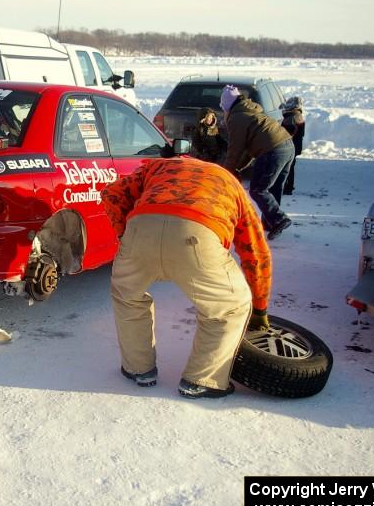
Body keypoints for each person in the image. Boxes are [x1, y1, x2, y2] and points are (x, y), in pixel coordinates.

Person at [102, 156, 272, 398]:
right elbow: (255, 252)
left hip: (141, 227)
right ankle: (203, 380)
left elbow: (112, 194)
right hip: (198, 232)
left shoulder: (158, 166)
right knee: (229, 308)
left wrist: (126, 236)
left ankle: (138, 369)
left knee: (127, 297)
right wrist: (260, 308)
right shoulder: (230, 184)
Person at [221, 85, 295, 240]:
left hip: (273, 149)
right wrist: (239, 167)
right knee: (273, 187)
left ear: (227, 105)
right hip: (287, 146)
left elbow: (235, 148)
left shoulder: (237, 117)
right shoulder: (250, 110)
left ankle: (279, 219)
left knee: (258, 189)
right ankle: (271, 223)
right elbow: (248, 150)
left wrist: (226, 172)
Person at [280, 96, 306, 195]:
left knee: (288, 167)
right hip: (295, 145)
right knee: (290, 166)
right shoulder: (297, 115)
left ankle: (288, 187)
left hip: (290, 146)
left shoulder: (292, 117)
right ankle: (289, 186)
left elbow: (286, 133)